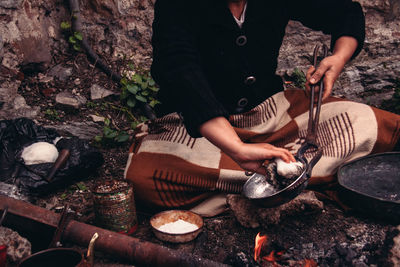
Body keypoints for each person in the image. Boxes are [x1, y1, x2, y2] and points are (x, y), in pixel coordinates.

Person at [124, 0, 400, 215]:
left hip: (272, 114)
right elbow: (179, 69)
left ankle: (267, 179)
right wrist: (237, 148)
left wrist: (338, 58)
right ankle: (301, 175)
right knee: (146, 177)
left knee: (374, 123)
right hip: (200, 128)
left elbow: (345, 13)